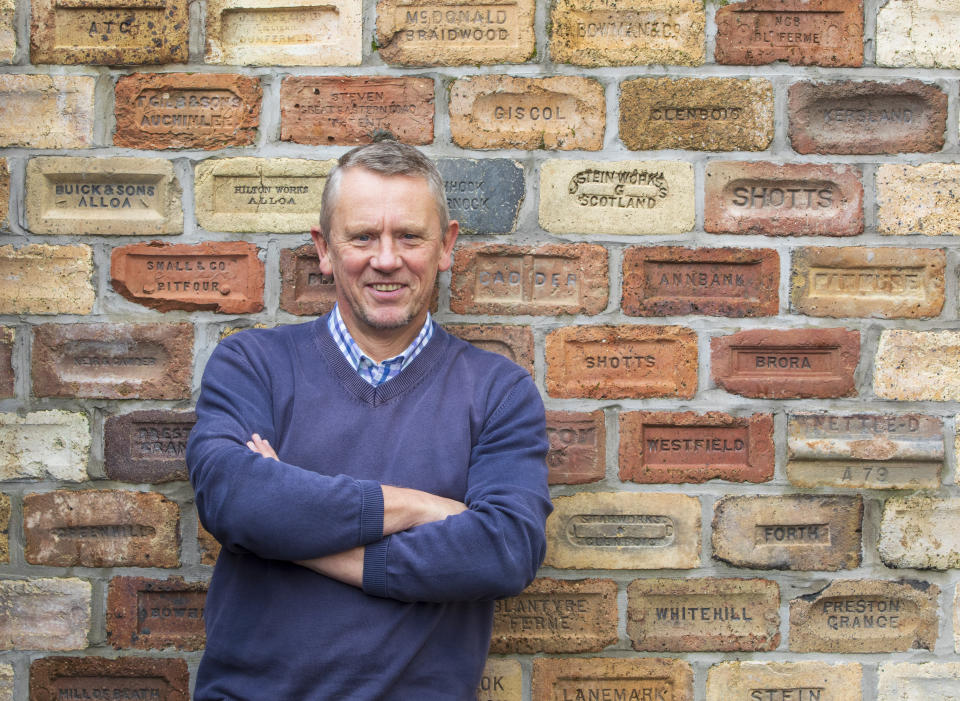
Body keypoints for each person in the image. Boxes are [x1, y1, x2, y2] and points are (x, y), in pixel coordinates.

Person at [186, 141, 553, 700]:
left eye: (409, 236)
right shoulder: (252, 365)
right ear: (325, 249)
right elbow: (235, 500)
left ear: (446, 246)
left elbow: (505, 551)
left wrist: (289, 529)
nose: (386, 259)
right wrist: (420, 507)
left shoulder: (498, 392)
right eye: (362, 237)